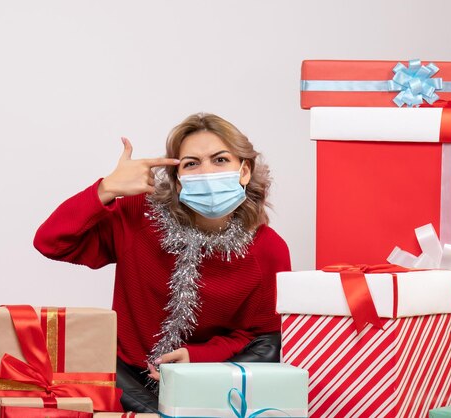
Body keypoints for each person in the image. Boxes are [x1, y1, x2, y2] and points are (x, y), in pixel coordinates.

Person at [33, 113, 291, 412]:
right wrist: (107, 189)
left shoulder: (268, 248)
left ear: (244, 171)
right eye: (191, 163)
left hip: (207, 380)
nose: (206, 172)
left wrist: (197, 357)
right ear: (178, 181)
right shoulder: (139, 215)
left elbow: (261, 337)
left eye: (220, 160)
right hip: (124, 378)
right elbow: (51, 242)